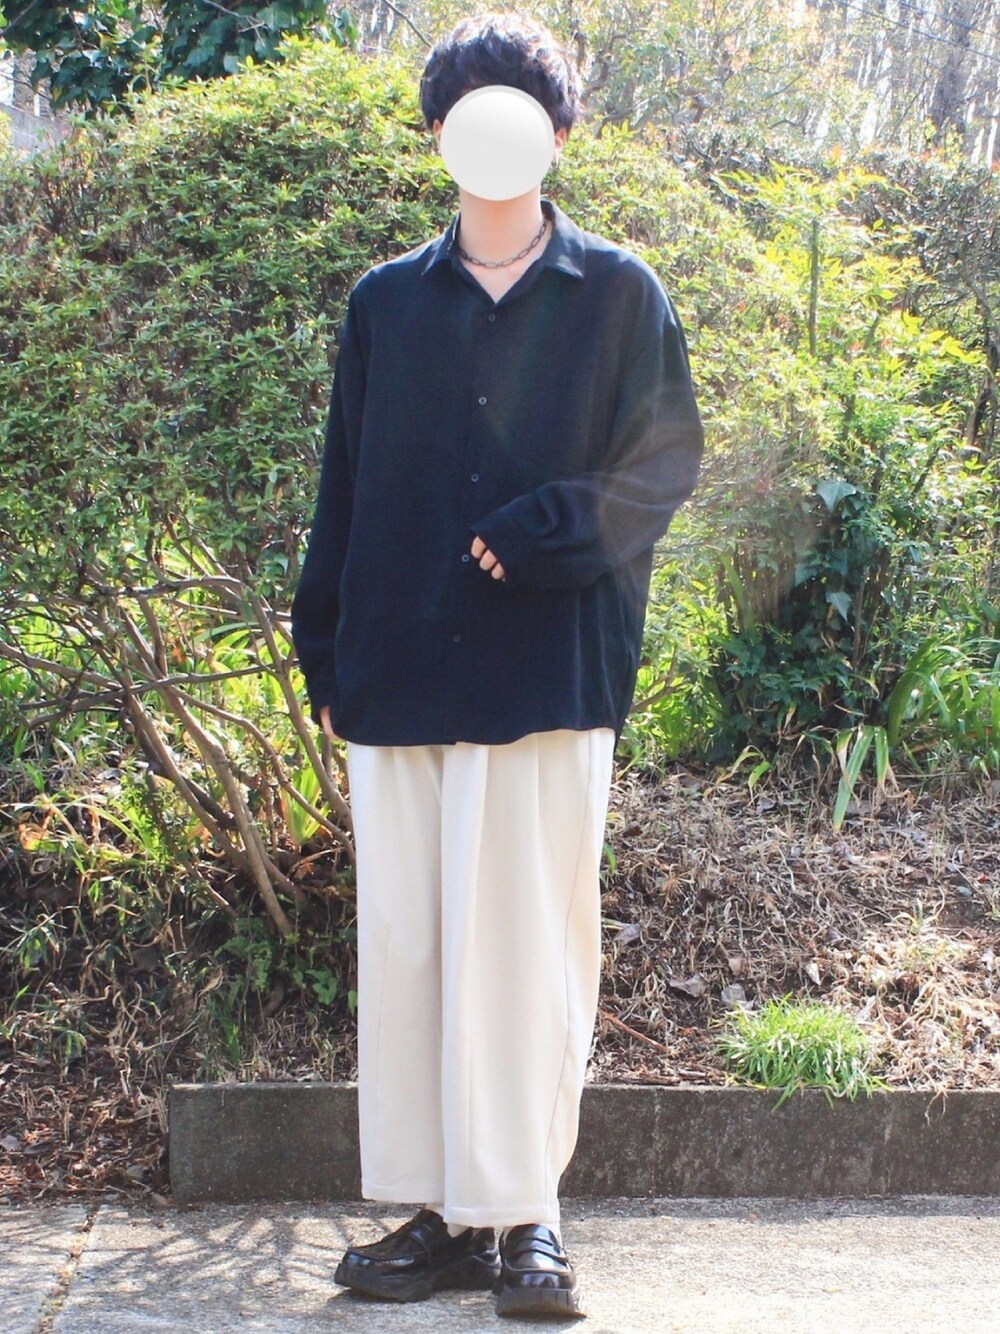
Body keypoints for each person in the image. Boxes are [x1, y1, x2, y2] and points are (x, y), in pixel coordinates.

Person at [290, 11, 704, 1321]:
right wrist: (325, 649)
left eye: (518, 114)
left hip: (544, 675)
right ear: (437, 138)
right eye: (464, 115)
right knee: (413, 951)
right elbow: (344, 487)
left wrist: (544, 531)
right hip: (400, 668)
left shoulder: (621, 294)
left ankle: (529, 1215)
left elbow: (661, 468)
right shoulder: (383, 303)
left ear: (558, 135)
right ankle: (442, 1214)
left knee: (526, 953)